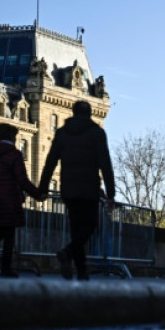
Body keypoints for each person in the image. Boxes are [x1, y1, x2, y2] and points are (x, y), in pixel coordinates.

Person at [39, 100, 116, 280]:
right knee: (90, 226)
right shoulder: (97, 133)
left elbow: (50, 161)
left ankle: (81, 271)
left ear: (73, 113)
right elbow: (105, 163)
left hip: (68, 187)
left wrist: (43, 187)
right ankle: (68, 253)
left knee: (76, 228)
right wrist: (111, 193)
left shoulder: (62, 133)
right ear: (89, 114)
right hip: (89, 188)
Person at [0, 123, 44, 277]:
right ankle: (5, 268)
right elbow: (22, 180)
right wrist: (37, 194)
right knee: (9, 235)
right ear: (11, 137)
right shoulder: (14, 154)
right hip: (10, 199)